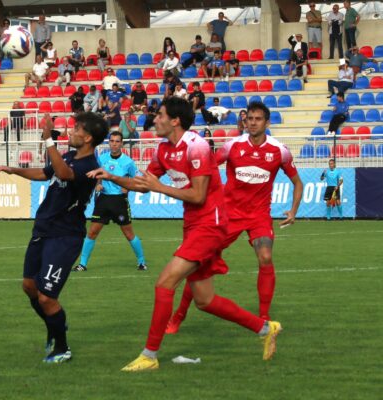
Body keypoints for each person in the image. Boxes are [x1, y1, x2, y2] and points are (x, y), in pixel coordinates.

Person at [88, 97, 283, 372]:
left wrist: (160, 187)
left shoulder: (197, 146)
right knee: (204, 300)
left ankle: (149, 356)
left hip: (211, 224)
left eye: (159, 115)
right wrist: (111, 177)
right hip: (193, 224)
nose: (154, 119)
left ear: (175, 120)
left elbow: (199, 195)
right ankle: (265, 328)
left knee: (165, 282)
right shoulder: (164, 150)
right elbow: (144, 185)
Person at [167, 101, 303, 335]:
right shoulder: (232, 146)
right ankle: (178, 316)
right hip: (228, 215)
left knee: (266, 256)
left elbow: (297, 182)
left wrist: (293, 211)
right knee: (201, 262)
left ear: (267, 123)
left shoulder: (279, 151)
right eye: (249, 118)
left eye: (257, 119)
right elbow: (208, 168)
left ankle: (264, 318)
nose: (252, 122)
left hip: (259, 215)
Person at [0, 112, 107, 364]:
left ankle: (63, 348)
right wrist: (12, 169)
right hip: (42, 230)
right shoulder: (68, 156)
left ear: (87, 137)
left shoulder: (89, 166)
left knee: (46, 296)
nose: (71, 130)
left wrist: (48, 140)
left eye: (76, 128)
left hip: (65, 236)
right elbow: (46, 173)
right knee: (29, 287)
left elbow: (64, 174)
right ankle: (55, 328)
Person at [74, 131, 147, 272]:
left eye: (117, 141)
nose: (114, 144)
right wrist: (98, 184)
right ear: (109, 142)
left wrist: (128, 189)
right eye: (112, 141)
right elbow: (97, 174)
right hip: (103, 200)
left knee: (129, 234)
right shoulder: (102, 158)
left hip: (119, 201)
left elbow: (136, 180)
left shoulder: (128, 162)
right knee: (92, 233)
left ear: (121, 143)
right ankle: (82, 264)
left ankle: (141, 262)